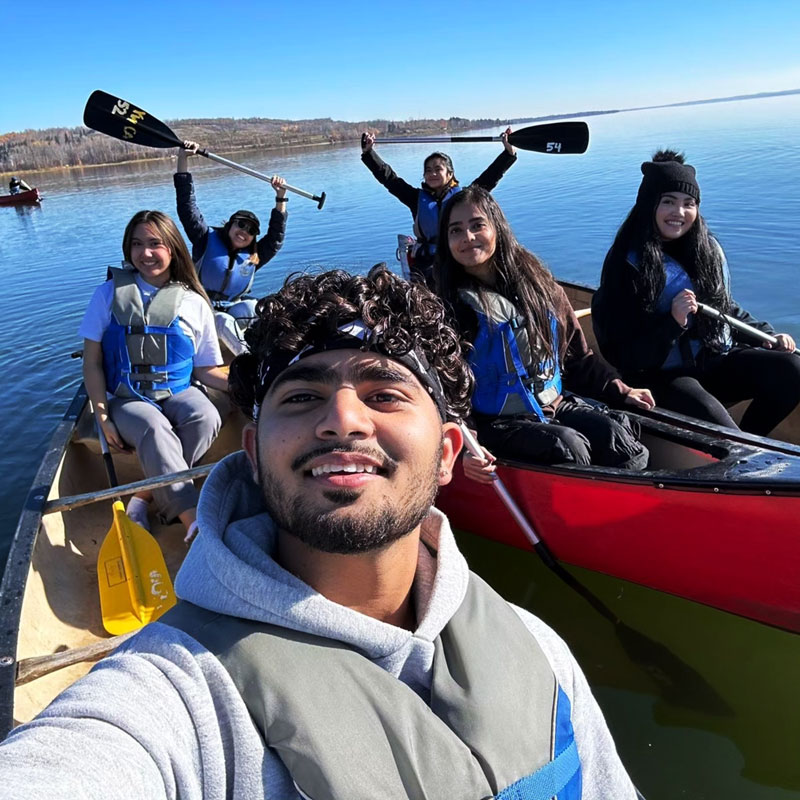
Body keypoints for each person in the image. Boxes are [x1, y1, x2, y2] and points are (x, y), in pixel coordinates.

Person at [0, 267, 638, 800]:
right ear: (250, 451)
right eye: (302, 398)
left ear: (447, 454)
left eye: (385, 393)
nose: (342, 419)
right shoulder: (175, 699)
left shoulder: (540, 652)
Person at [436, 185, 654, 477]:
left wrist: (621, 389)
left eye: (478, 226)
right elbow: (442, 388)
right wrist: (466, 444)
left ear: (497, 228)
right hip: (494, 424)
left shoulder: (539, 286)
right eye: (456, 231)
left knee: (615, 436)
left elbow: (578, 357)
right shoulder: (447, 307)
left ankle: (633, 507)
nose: (468, 238)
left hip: (553, 404)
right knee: (568, 446)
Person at [592, 149, 800, 436]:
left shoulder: (702, 251)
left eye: (688, 203)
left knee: (792, 370)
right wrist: (671, 324)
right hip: (660, 375)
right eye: (668, 202)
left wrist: (767, 335)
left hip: (712, 361)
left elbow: (724, 310)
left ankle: (752, 444)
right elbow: (622, 354)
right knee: (720, 428)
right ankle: (739, 451)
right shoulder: (625, 266)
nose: (679, 213)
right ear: (648, 205)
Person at [80, 210, 228, 540]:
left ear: (172, 249)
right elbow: (91, 363)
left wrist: (251, 384)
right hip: (126, 398)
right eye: (136, 244)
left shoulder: (194, 302)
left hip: (176, 391)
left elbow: (206, 370)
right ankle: (194, 526)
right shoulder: (107, 295)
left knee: (206, 415)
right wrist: (103, 416)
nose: (145, 253)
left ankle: (143, 496)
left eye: (154, 244)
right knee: (153, 426)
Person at [361, 127, 517, 286]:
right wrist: (369, 154)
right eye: (428, 170)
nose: (432, 173)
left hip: (457, 258)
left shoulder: (463, 197)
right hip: (426, 263)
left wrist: (508, 154)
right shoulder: (415, 198)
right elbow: (389, 179)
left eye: (438, 169)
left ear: (450, 174)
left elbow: (489, 178)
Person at [174, 140, 288, 356]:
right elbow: (186, 207)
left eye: (251, 229)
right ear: (230, 225)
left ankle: (280, 355)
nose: (244, 231)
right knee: (225, 322)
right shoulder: (204, 240)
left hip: (232, 306)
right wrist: (183, 159)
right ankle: (250, 367)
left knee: (261, 309)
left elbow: (275, 239)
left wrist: (280, 197)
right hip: (201, 308)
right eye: (240, 224)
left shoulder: (253, 257)